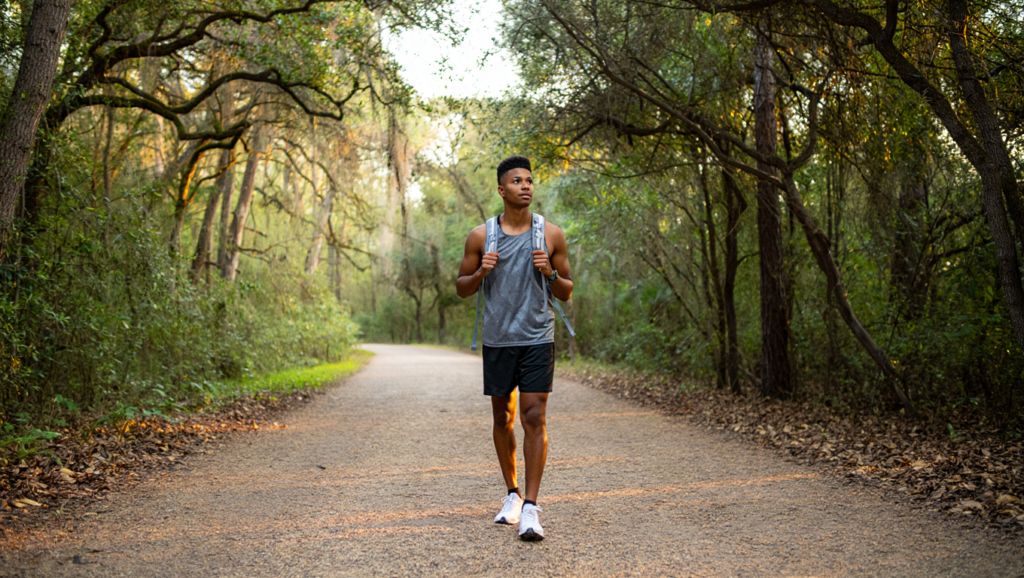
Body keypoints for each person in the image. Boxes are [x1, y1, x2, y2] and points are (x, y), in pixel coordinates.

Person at [456, 155, 574, 541]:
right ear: (501, 189)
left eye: (529, 181)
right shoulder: (481, 236)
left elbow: (567, 291)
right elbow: (461, 287)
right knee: (503, 418)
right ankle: (511, 493)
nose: (526, 186)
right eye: (517, 181)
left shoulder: (550, 234)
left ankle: (531, 508)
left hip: (538, 335)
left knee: (534, 415)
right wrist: (480, 272)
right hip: (499, 339)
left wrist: (550, 273)